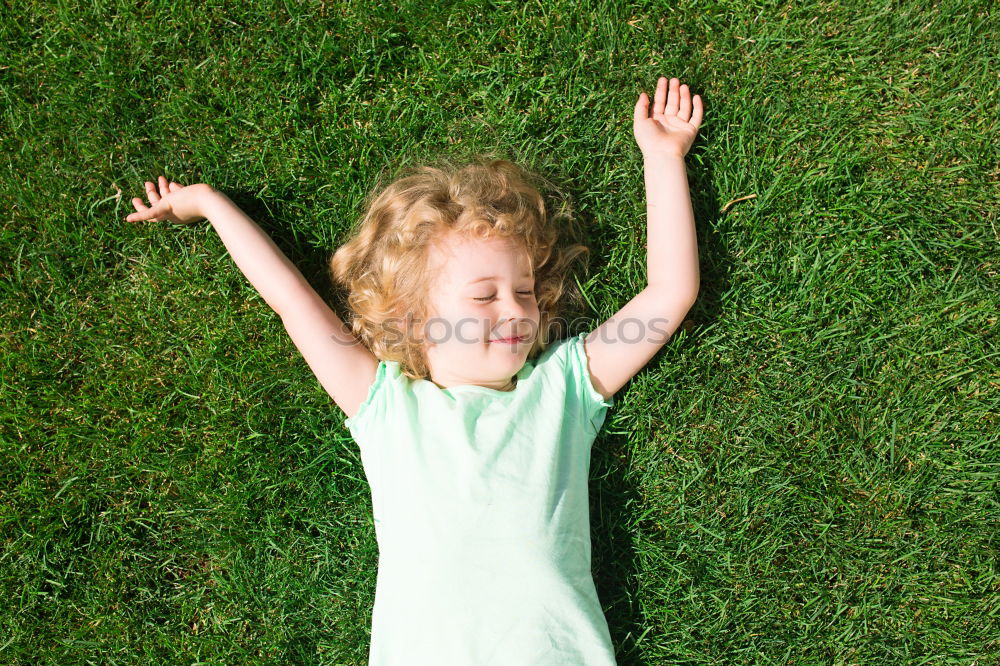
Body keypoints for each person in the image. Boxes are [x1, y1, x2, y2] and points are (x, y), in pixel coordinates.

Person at [125, 76, 703, 665]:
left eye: (525, 291)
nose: (516, 310)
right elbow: (290, 300)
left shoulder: (562, 389)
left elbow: (667, 295)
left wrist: (662, 158)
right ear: (415, 317)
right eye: (484, 297)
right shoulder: (386, 408)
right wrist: (210, 205)